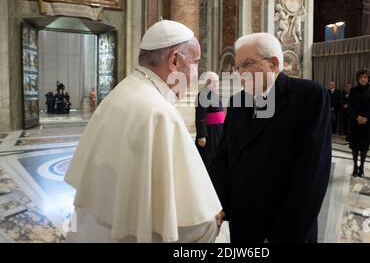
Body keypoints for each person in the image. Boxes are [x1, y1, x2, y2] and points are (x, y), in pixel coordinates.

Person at [64, 20, 222, 243]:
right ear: (174, 60)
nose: (196, 75)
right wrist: (210, 224)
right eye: (195, 63)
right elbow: (192, 227)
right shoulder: (159, 113)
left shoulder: (122, 91)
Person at [209, 33, 331, 243]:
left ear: (274, 64)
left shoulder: (308, 96)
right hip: (243, 226)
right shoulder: (238, 102)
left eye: (247, 64)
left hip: (284, 229)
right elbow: (223, 159)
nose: (240, 74)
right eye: (237, 67)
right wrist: (219, 205)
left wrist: (281, 236)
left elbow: (311, 177)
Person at [348, 69, 370, 178]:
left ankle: (362, 167)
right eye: (361, 77)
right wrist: (357, 117)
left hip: (367, 123)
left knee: (364, 147)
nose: (363, 79)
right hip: (355, 123)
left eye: (365, 77)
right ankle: (355, 166)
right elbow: (350, 106)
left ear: (368, 79)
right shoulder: (353, 91)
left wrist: (366, 118)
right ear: (358, 79)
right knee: (355, 147)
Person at [195, 72, 225, 168]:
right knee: (208, 159)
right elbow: (200, 116)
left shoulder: (214, 94)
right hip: (209, 133)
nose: (216, 84)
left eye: (217, 81)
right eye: (214, 81)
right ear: (207, 82)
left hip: (218, 130)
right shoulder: (203, 95)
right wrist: (201, 135)